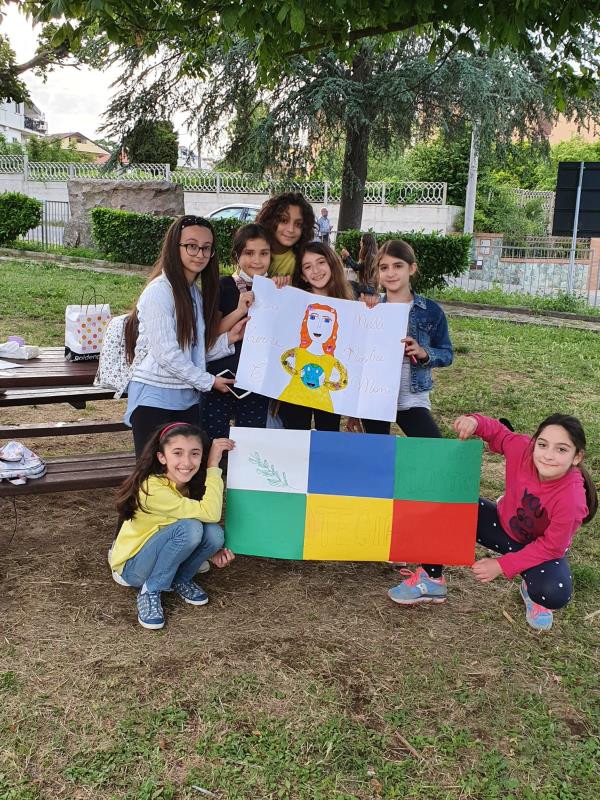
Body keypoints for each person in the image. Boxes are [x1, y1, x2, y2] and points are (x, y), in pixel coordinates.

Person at [389, 414, 598, 632]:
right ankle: (431, 578)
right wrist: (475, 422)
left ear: (577, 457)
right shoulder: (523, 449)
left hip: (541, 549)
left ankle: (532, 591)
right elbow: (498, 432)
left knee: (555, 592)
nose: (548, 455)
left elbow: (551, 547)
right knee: (444, 506)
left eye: (561, 449)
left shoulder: (572, 500)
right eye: (543, 445)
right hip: (503, 526)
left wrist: (501, 565)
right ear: (534, 443)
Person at [123, 215, 247, 456]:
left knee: (182, 476)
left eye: (206, 248)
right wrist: (209, 382)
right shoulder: (160, 292)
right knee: (153, 479)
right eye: (191, 246)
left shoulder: (194, 294)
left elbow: (194, 351)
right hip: (154, 400)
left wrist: (228, 339)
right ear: (175, 247)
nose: (199, 254)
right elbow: (167, 355)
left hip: (186, 400)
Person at [110, 422, 236, 630]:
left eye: (195, 454)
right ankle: (150, 590)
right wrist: (214, 465)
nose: (186, 462)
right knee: (191, 528)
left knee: (214, 534)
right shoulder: (152, 487)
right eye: (177, 453)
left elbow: (207, 522)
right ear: (162, 457)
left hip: (161, 551)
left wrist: (208, 552)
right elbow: (211, 514)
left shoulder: (187, 484)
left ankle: (180, 579)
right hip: (132, 568)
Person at [347, 239, 453, 438]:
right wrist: (355, 409)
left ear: (411, 268)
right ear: (378, 273)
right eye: (384, 267)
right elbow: (356, 358)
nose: (391, 273)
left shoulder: (430, 311)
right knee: (378, 455)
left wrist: (423, 352)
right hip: (374, 398)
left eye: (398, 266)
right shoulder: (370, 309)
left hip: (411, 398)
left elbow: (447, 354)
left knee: (432, 448)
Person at [202, 224, 271, 439]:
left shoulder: (275, 290)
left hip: (256, 382)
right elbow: (210, 332)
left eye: (264, 253)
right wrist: (240, 310)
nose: (257, 260)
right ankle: (214, 472)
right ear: (236, 255)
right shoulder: (223, 286)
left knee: (251, 441)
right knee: (214, 439)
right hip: (220, 378)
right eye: (249, 253)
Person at [278, 242, 354, 431]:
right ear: (302, 275)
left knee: (328, 432)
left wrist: (371, 301)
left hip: (328, 388)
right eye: (308, 266)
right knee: (295, 431)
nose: (316, 270)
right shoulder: (293, 301)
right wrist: (277, 291)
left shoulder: (351, 302)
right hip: (295, 390)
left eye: (321, 262)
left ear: (332, 264)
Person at [256, 192, 316, 277]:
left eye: (298, 224)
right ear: (270, 220)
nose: (291, 229)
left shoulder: (303, 260)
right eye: (284, 220)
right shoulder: (253, 251)